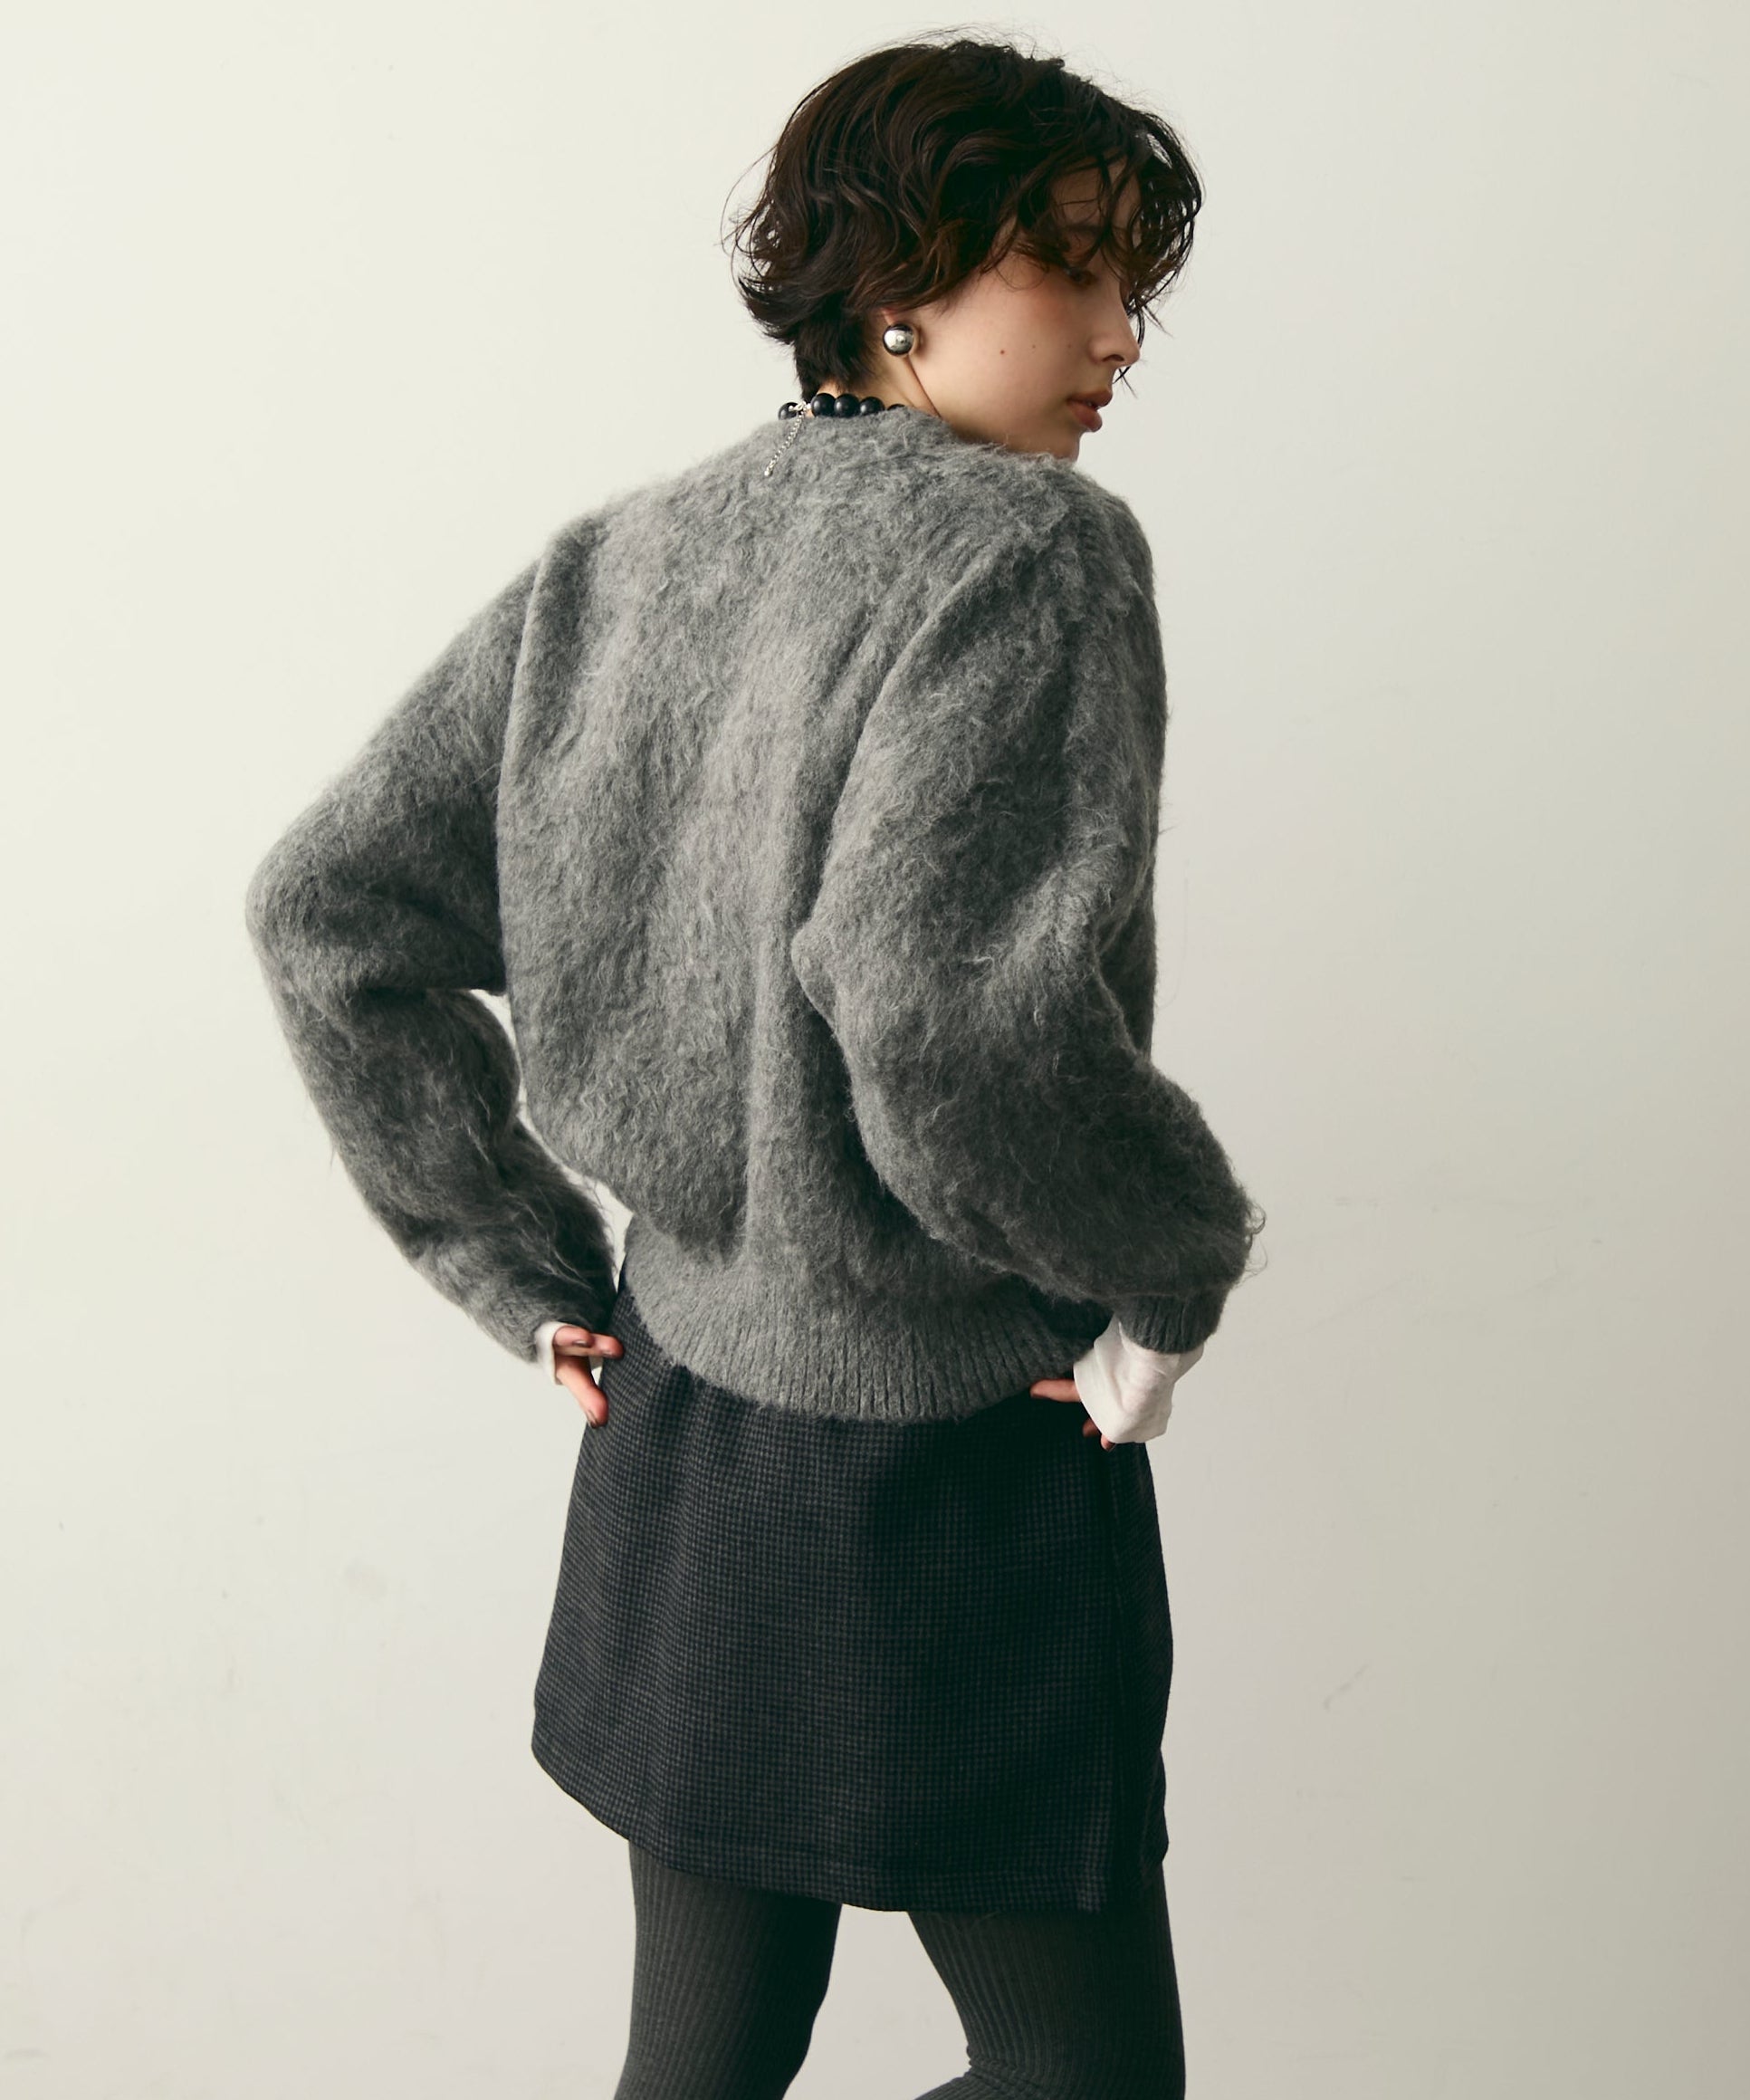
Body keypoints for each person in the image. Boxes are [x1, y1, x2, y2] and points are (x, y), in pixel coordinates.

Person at [244, 31, 1265, 2100]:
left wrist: (519, 1263)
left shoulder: (621, 559)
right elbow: (943, 1009)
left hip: (679, 1420)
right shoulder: (1031, 548)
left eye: (1129, 282)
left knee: (698, 2068)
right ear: (897, 275)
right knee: (1085, 2075)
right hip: (950, 1450)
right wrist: (1164, 1269)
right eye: (1068, 266)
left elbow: (324, 907)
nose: (1117, 336)